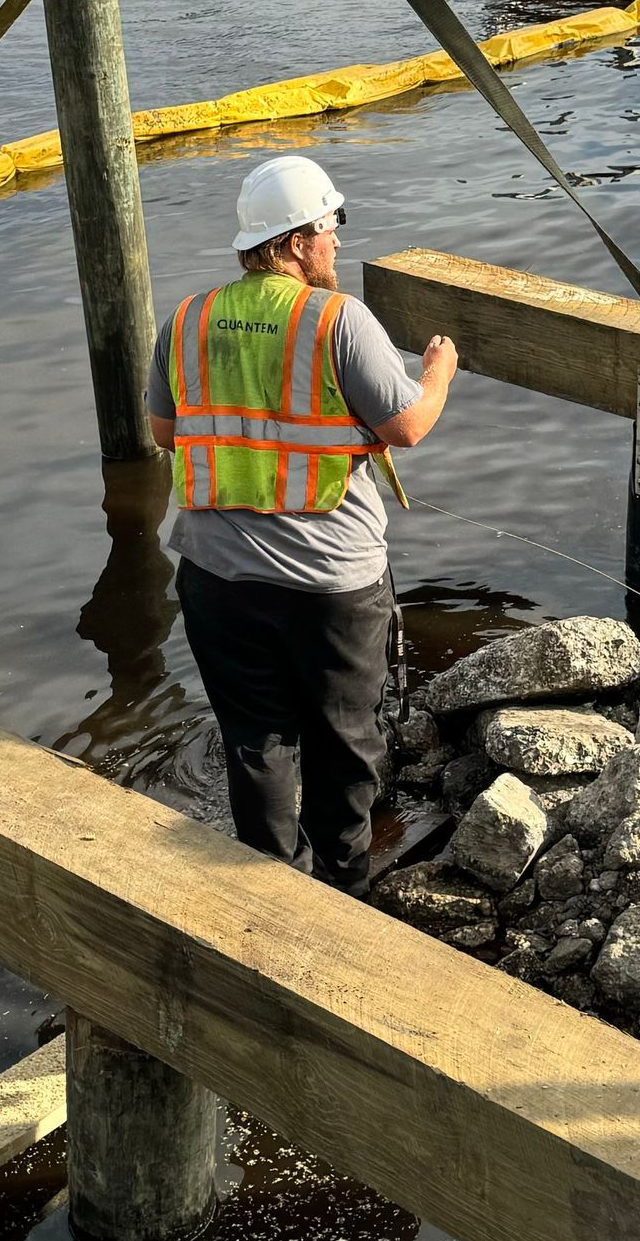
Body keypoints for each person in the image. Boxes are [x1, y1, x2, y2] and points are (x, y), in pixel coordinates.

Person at [147, 154, 457, 893]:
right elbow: (406, 425)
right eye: (330, 226)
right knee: (345, 745)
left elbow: (165, 433)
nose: (338, 242)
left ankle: (269, 888)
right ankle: (342, 893)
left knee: (255, 742)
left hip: (216, 578)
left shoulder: (187, 318)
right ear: (292, 243)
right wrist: (440, 369)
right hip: (329, 586)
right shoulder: (337, 320)